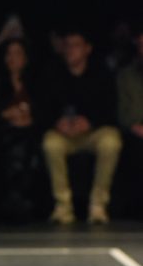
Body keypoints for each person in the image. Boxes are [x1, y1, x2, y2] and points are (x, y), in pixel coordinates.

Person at [39, 29, 122, 224]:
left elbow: (110, 109)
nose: (70, 50)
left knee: (111, 142)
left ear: (87, 49)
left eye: (75, 45)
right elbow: (42, 108)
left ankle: (98, 205)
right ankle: (63, 206)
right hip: (63, 134)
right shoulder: (52, 73)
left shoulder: (101, 73)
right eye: (67, 45)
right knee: (50, 144)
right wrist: (56, 122)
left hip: (93, 132)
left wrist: (90, 122)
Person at [0, 39, 44, 222]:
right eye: (8, 53)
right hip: (3, 133)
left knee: (29, 146)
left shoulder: (36, 81)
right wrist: (6, 114)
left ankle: (25, 203)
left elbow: (46, 110)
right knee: (12, 148)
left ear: (26, 58)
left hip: (32, 133)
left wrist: (30, 118)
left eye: (17, 53)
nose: (12, 58)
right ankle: (12, 204)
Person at [116, 23, 143, 218]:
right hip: (135, 131)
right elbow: (123, 111)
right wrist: (135, 126)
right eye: (141, 45)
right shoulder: (126, 75)